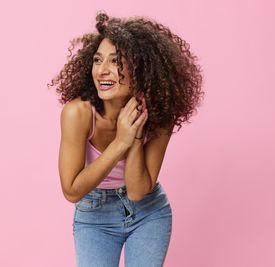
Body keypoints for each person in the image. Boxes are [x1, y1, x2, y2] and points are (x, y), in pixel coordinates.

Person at [48, 11, 204, 267]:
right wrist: (121, 141)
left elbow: (138, 190)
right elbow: (71, 190)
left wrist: (134, 135)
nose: (103, 71)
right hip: (94, 215)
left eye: (116, 61)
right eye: (98, 60)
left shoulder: (160, 112)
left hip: (149, 212)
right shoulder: (78, 113)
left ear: (142, 70)